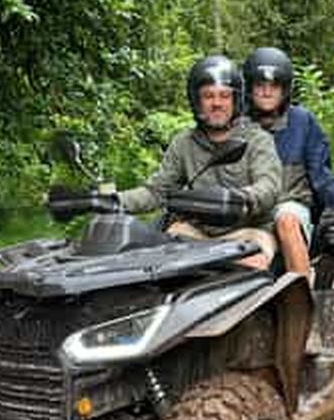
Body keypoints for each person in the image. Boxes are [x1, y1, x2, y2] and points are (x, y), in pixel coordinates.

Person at [118, 55, 282, 269]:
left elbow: (269, 186)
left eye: (224, 96)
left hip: (249, 230)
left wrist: (240, 199)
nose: (217, 103)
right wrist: (113, 201)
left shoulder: (257, 140)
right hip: (197, 231)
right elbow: (157, 192)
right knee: (156, 263)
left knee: (252, 264)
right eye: (208, 96)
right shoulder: (184, 143)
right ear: (197, 101)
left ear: (236, 100)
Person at [243, 46, 334, 274]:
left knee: (286, 220)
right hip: (249, 208)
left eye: (274, 86)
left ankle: (302, 291)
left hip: (290, 204)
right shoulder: (237, 124)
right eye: (260, 85)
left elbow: (322, 177)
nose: (266, 92)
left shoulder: (302, 121)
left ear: (285, 89)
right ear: (249, 88)